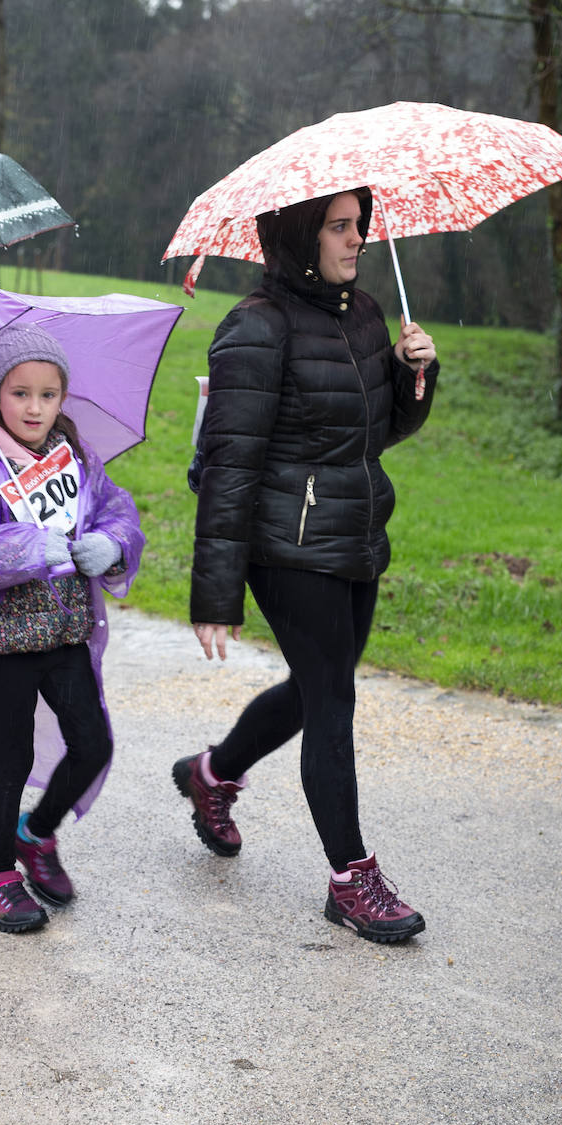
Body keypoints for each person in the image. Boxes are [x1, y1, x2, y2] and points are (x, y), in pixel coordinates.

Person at [172, 188, 439, 944]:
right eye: (339, 227)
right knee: (331, 705)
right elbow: (227, 468)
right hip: (287, 547)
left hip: (356, 534)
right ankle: (352, 879)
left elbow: (378, 432)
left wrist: (414, 373)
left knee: (321, 685)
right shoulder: (253, 328)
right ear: (299, 234)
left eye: (361, 225)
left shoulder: (363, 314)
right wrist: (214, 592)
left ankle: (212, 774)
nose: (357, 240)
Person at [0, 324, 144, 933]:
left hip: (66, 633)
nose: (35, 407)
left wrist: (111, 542)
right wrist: (27, 544)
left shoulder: (73, 457)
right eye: (21, 393)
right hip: (7, 645)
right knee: (12, 761)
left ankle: (36, 833)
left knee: (94, 743)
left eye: (48, 394)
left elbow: (115, 509)